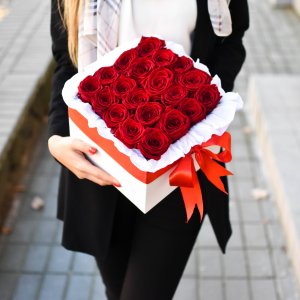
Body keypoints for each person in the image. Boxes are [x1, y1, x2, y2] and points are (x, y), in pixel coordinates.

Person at [48, 0, 249, 299]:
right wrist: (56, 139)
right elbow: (67, 59)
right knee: (116, 291)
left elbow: (230, 42)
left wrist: (204, 109)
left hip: (181, 170)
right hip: (102, 171)